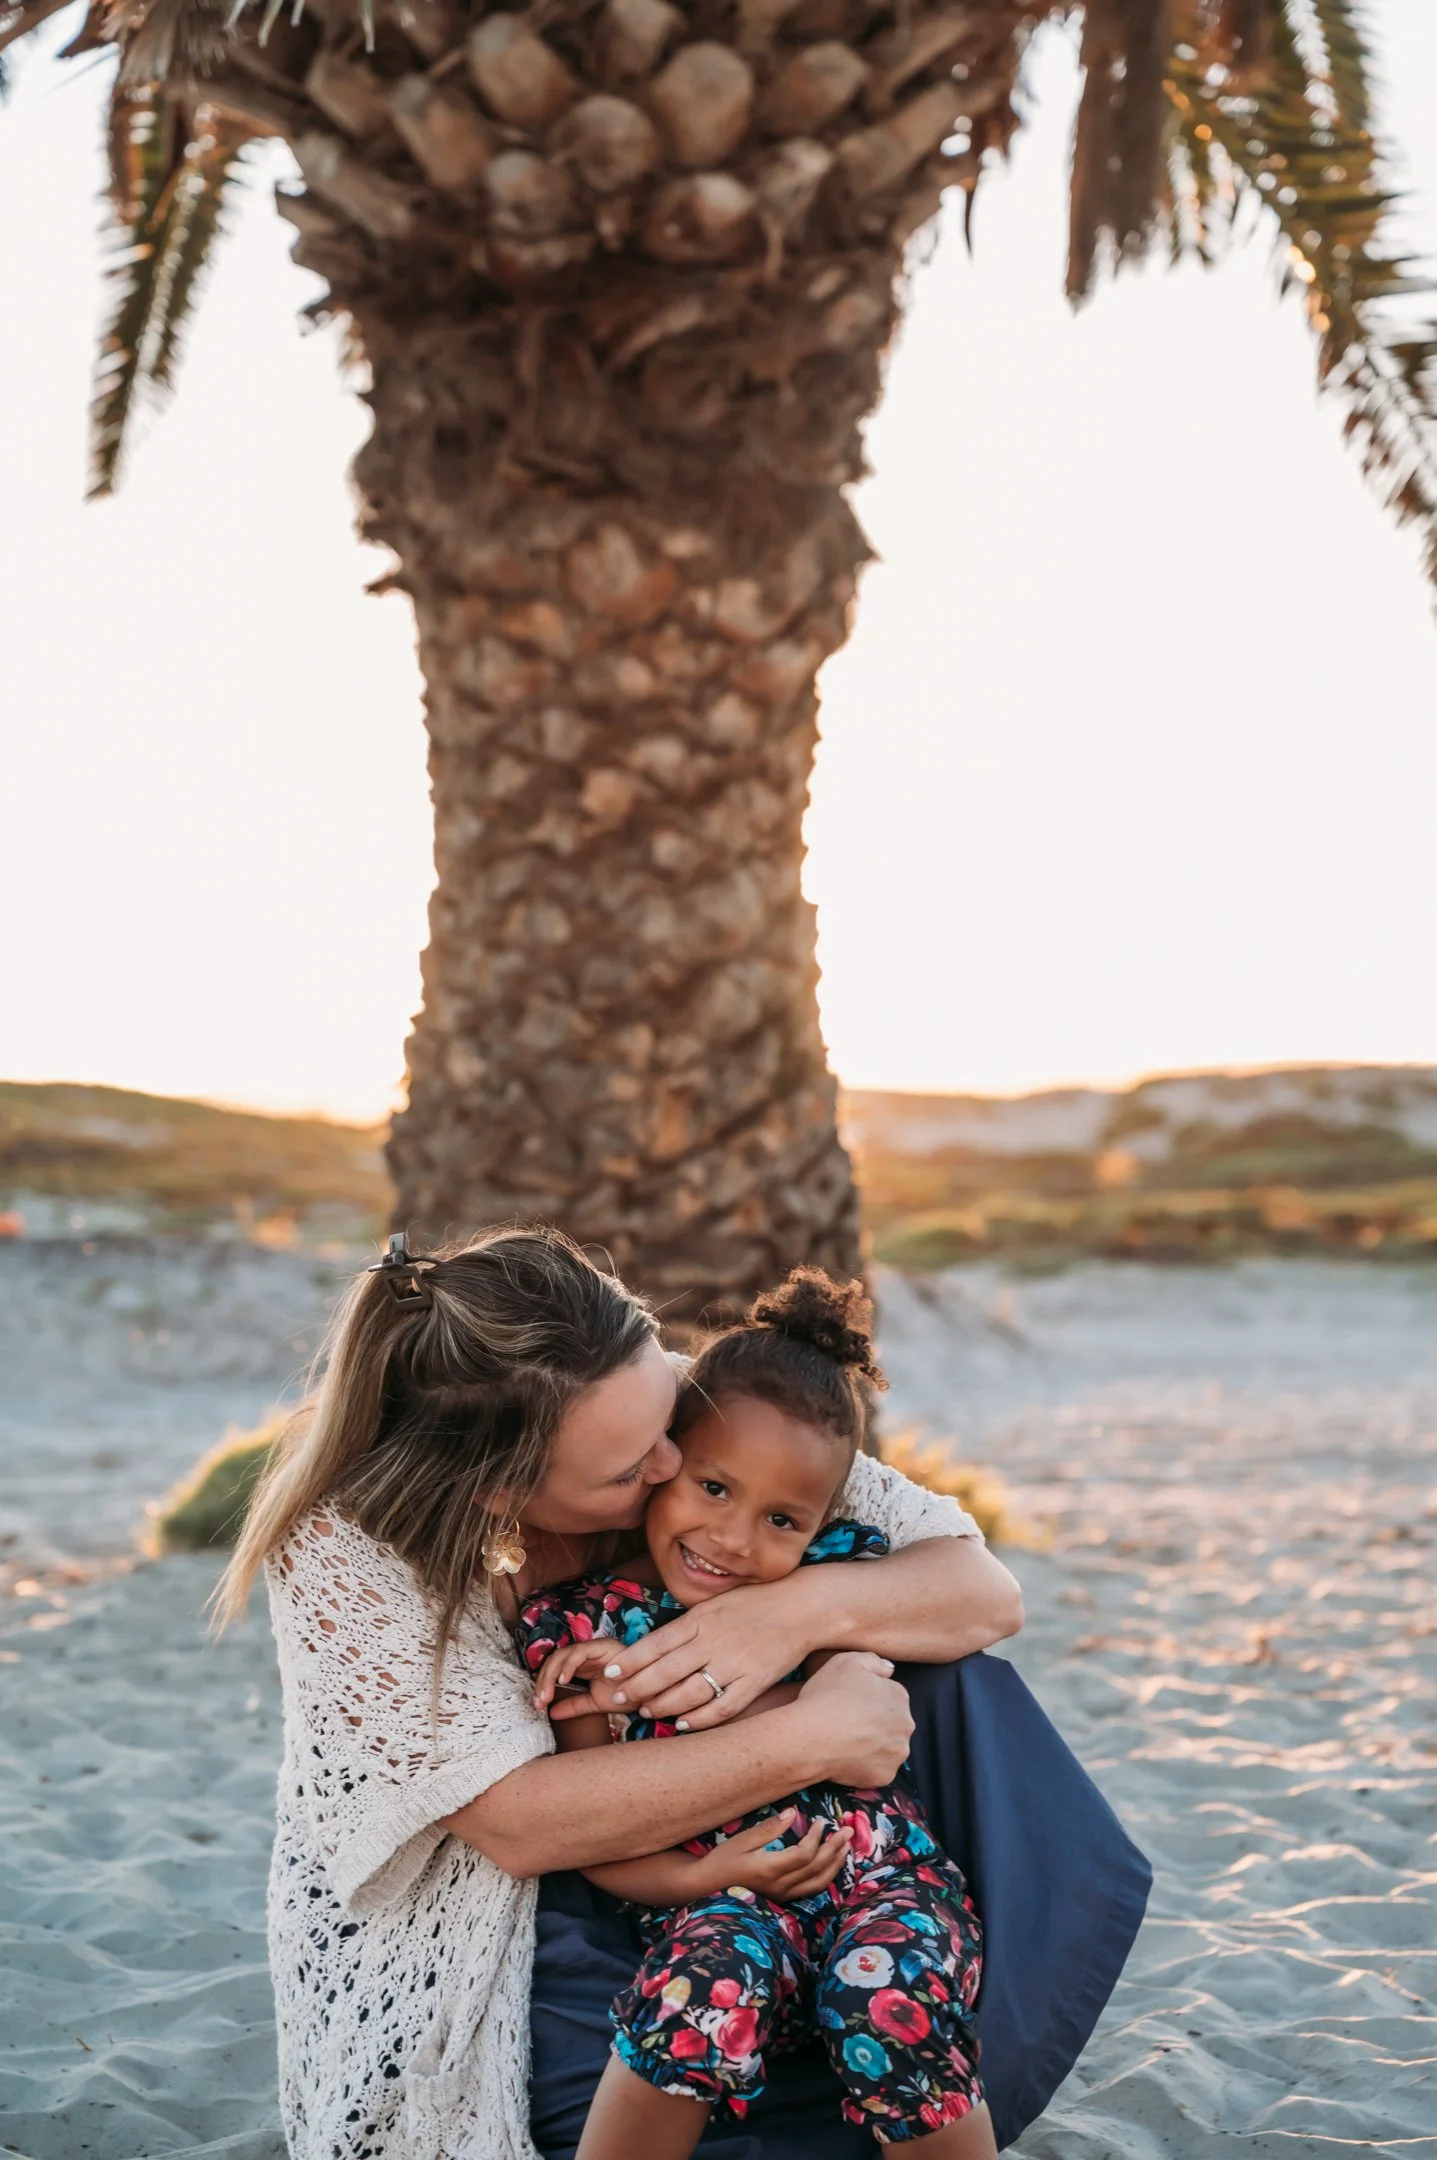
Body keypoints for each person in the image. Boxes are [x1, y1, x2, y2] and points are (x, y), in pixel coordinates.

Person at [213, 1226, 1023, 2160]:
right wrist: (812, 1737)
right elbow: (520, 1825)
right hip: (516, 1920)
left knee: (961, 1693)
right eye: (633, 1467)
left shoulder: (680, 1410)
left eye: (666, 1422)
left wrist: (791, 1614)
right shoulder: (342, 1552)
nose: (673, 1466)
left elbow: (980, 1590)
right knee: (693, 2000)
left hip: (799, 1874)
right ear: (498, 1491)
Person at [514, 1269, 998, 2159]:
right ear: (662, 1462)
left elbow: (863, 1718)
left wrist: (771, 1672)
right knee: (699, 1987)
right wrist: (699, 1878)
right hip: (720, 1900)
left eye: (782, 1518)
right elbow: (597, 1836)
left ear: (819, 1526)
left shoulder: (835, 1584)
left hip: (885, 1880)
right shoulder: (579, 1633)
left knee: (892, 1997)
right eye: (713, 1488)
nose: (735, 1539)